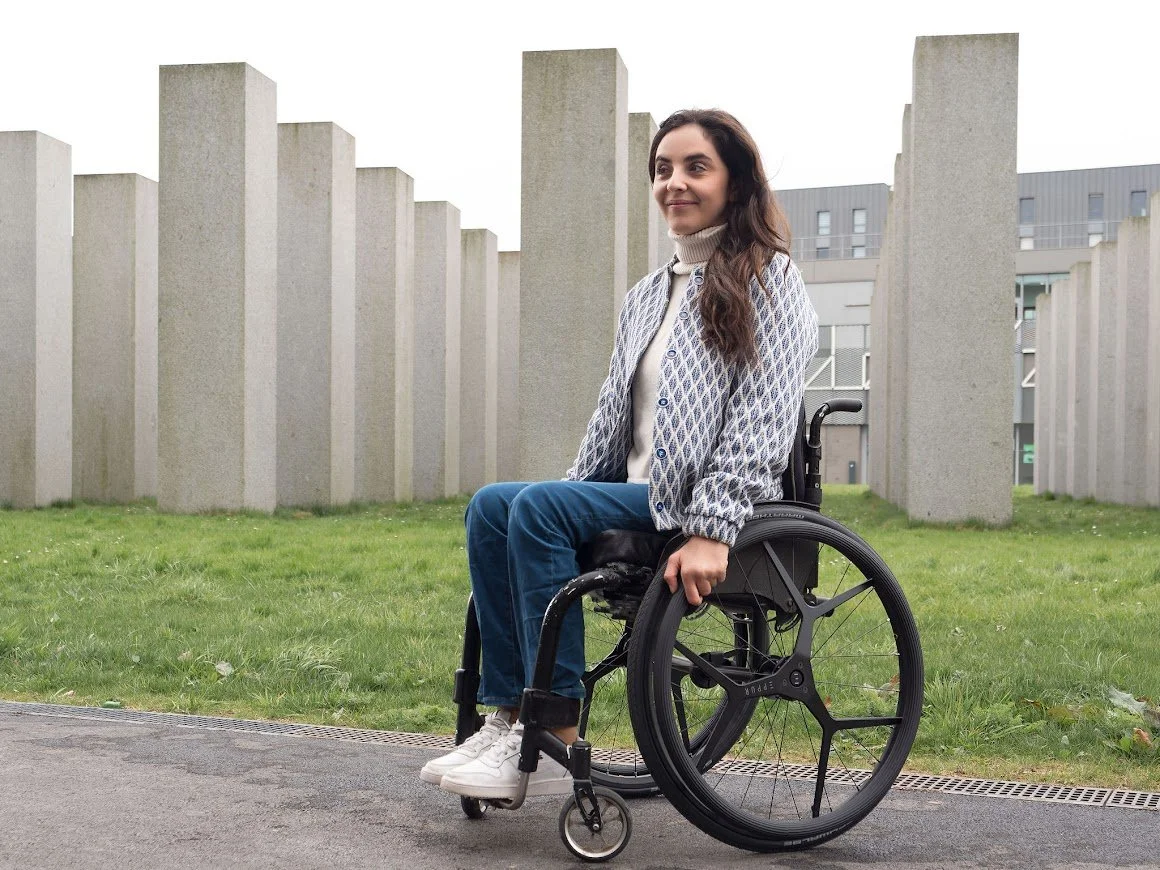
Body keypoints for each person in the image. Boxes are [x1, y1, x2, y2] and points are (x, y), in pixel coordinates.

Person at [420, 108, 819, 800]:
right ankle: (508, 715)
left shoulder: (770, 281)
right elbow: (612, 419)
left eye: (696, 167)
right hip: (639, 494)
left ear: (735, 181)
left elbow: (765, 416)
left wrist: (711, 528)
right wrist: (558, 509)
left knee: (536, 508)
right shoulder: (646, 296)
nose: (675, 183)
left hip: (702, 506)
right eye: (664, 169)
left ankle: (555, 730)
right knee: (495, 506)